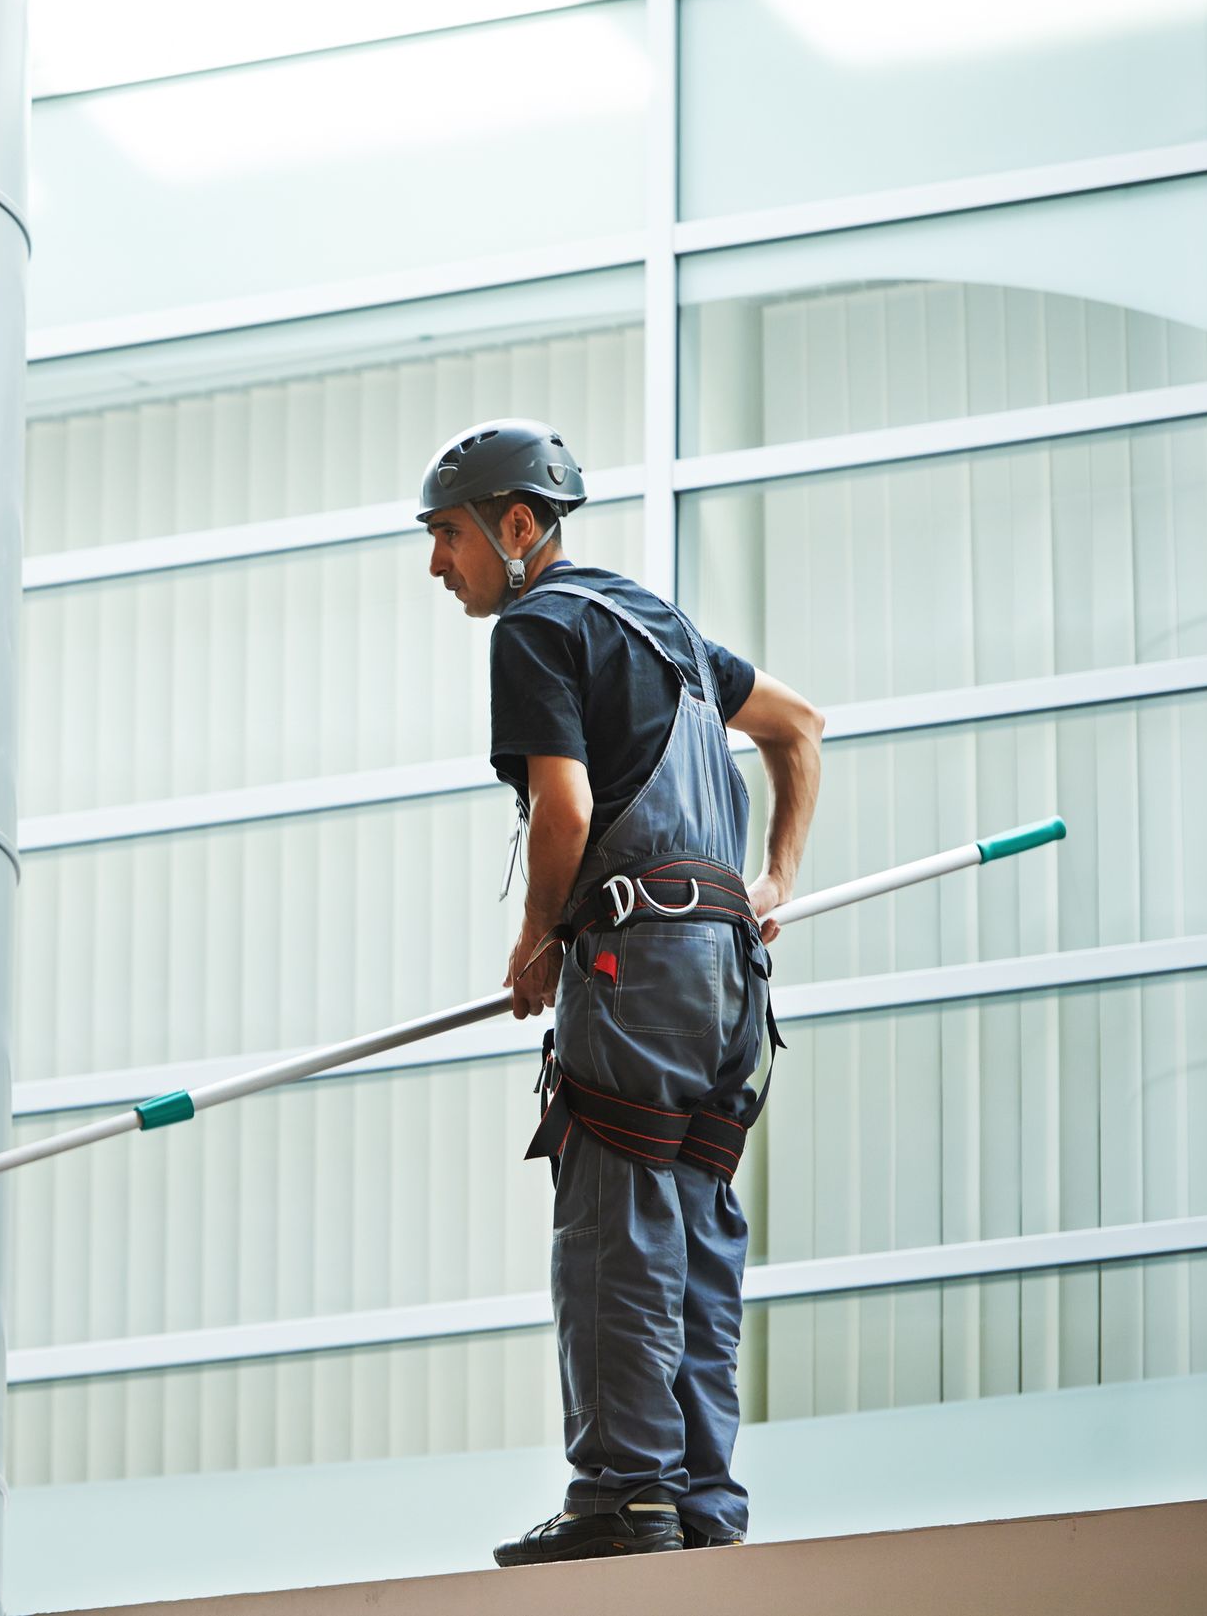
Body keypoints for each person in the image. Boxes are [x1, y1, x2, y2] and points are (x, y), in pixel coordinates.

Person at [418, 418, 824, 1564]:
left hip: (633, 965)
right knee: (693, 1220)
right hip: (728, 980)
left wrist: (536, 937)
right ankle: (698, 1499)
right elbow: (797, 728)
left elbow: (566, 809)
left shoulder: (536, 628)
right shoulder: (664, 630)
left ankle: (622, 1496)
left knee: (615, 1219)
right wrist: (770, 883)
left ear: (514, 525)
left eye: (446, 534)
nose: (435, 564)